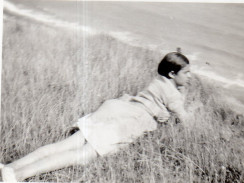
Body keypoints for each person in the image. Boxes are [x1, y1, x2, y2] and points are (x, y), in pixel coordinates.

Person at [0, 50, 191, 182]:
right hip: (128, 123)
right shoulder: (174, 94)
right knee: (82, 156)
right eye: (187, 73)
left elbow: (156, 100)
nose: (190, 77)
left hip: (117, 109)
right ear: (173, 73)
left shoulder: (158, 80)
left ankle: (10, 167)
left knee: (67, 145)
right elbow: (185, 120)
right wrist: (187, 107)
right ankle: (19, 175)